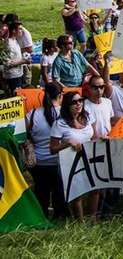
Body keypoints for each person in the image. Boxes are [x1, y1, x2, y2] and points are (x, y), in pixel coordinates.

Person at [49, 92, 99, 220]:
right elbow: (52, 149)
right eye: (74, 102)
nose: (78, 104)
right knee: (77, 192)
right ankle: (79, 223)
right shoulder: (59, 124)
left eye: (80, 100)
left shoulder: (88, 117)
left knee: (95, 189)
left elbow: (94, 136)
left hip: (90, 158)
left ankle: (92, 218)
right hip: (71, 163)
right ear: (66, 105)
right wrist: (66, 144)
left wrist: (100, 140)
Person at [25, 83, 67, 219]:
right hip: (60, 162)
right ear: (60, 95)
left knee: (41, 192)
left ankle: (41, 218)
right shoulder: (66, 114)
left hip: (39, 162)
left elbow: (25, 136)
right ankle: (58, 218)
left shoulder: (32, 114)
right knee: (59, 193)